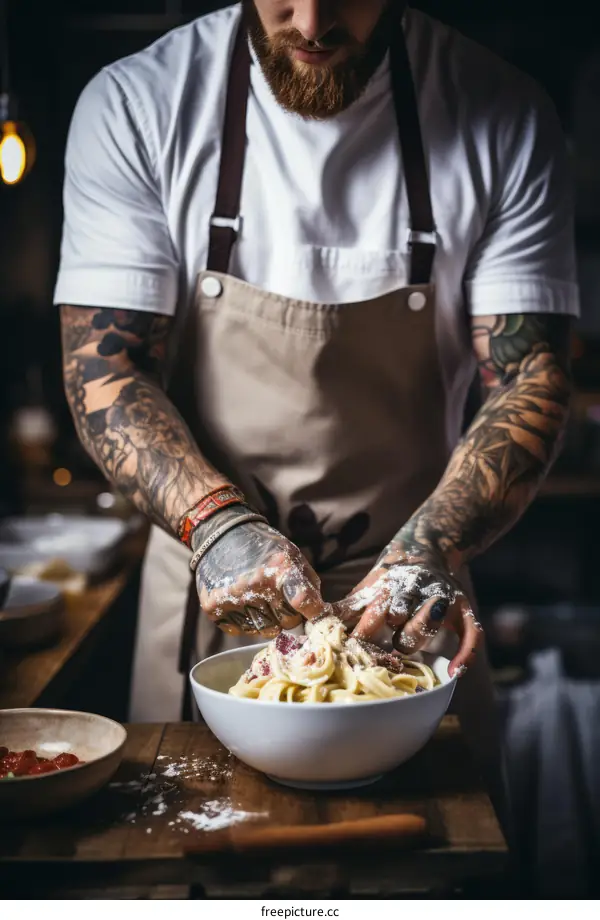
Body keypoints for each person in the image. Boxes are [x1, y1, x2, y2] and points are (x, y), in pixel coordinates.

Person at [55, 0, 578, 808]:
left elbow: (531, 375)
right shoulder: (137, 104)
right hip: (209, 595)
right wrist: (220, 527)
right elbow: (105, 367)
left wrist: (429, 549)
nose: (311, 23)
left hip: (413, 604)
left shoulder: (502, 113)